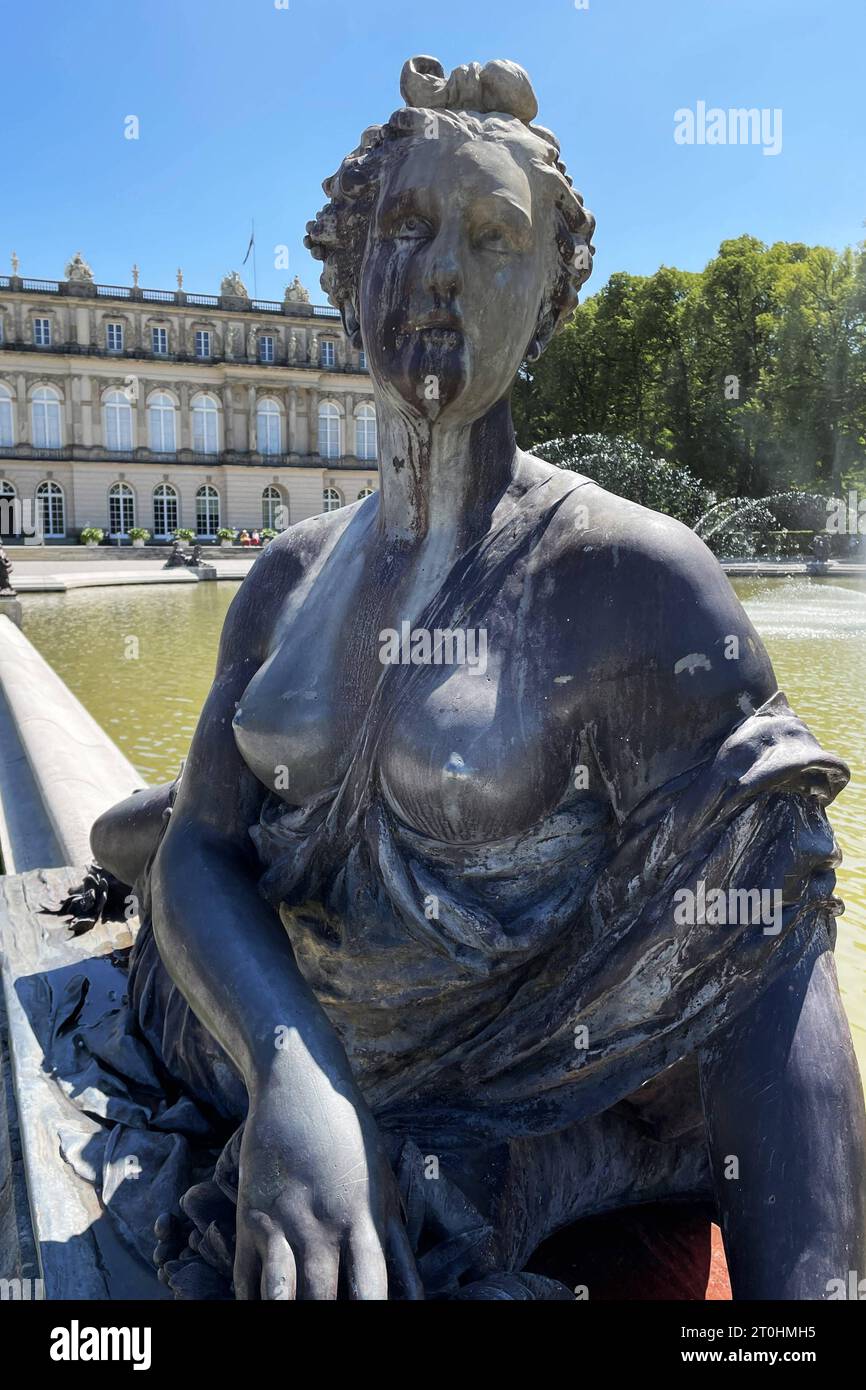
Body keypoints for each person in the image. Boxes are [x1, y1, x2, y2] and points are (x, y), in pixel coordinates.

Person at [90, 56, 865, 1301]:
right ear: (349, 275)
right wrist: (297, 1071)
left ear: (548, 301)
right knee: (144, 830)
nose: (441, 265)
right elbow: (206, 852)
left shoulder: (631, 581)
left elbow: (764, 954)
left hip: (501, 1087)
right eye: (407, 225)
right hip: (276, 1050)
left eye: (493, 237)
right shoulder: (284, 574)